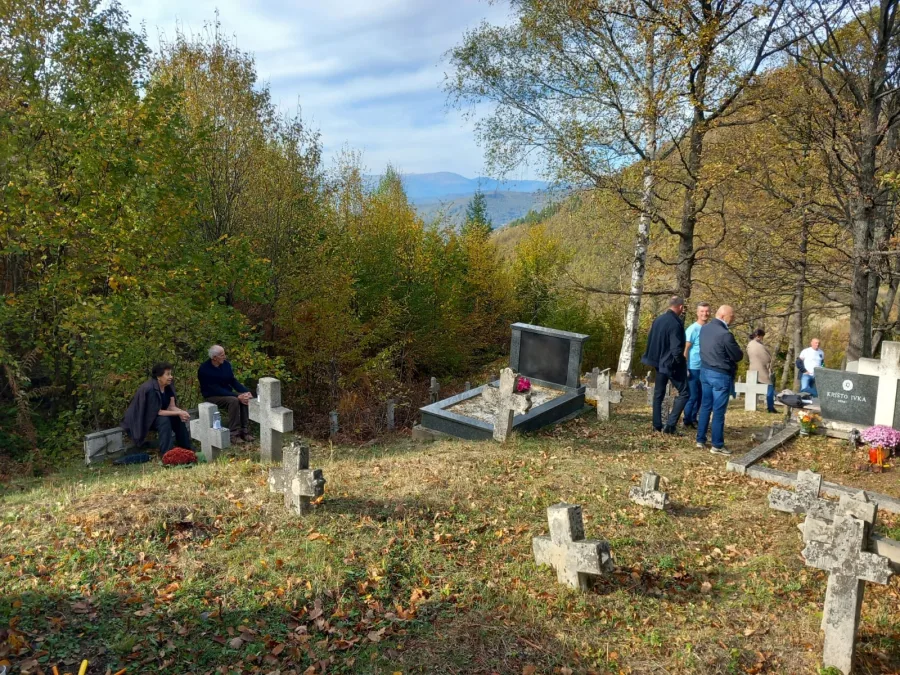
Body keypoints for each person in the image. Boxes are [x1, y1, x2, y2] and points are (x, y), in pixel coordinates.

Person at [696, 305, 743, 455]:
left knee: (705, 406)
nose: (733, 318)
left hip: (705, 371)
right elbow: (738, 355)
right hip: (720, 374)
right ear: (723, 316)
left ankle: (700, 439)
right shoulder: (725, 334)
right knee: (718, 411)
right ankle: (717, 445)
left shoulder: (704, 328)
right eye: (732, 316)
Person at [641, 296, 690, 434]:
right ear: (681, 307)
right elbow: (676, 349)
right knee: (685, 393)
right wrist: (681, 363)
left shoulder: (658, 320)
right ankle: (670, 425)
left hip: (658, 362)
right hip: (671, 364)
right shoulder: (675, 323)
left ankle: (657, 425)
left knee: (659, 394)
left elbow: (652, 340)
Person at [121, 362, 193, 454]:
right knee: (164, 421)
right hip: (143, 418)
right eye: (168, 374)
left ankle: (186, 448)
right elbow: (157, 412)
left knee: (177, 418)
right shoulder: (150, 388)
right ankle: (167, 453)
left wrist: (182, 412)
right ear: (158, 376)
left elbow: (171, 407)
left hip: (157, 415)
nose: (171, 377)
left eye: (171, 374)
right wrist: (179, 412)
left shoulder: (168, 385)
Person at [198, 345, 254, 444]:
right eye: (222, 355)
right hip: (212, 396)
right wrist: (237, 396)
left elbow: (232, 381)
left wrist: (245, 392)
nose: (224, 357)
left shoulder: (226, 365)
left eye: (224, 354)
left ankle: (244, 430)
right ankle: (234, 434)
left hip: (227, 393)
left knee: (244, 398)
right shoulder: (204, 369)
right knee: (234, 400)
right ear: (214, 357)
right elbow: (216, 389)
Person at [683, 302, 711, 428]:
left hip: (705, 367)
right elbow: (686, 349)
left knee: (701, 396)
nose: (705, 314)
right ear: (697, 313)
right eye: (702, 311)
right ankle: (686, 420)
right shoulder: (693, 329)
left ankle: (694, 419)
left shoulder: (708, 329)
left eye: (707, 311)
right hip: (693, 367)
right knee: (693, 396)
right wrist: (685, 367)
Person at [747, 328, 778, 413]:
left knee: (752, 389)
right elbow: (766, 358)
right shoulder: (758, 346)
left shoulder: (750, 344)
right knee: (769, 387)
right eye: (762, 337)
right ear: (758, 336)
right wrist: (769, 363)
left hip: (752, 368)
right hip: (761, 369)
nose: (762, 339)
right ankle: (770, 407)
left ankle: (752, 405)